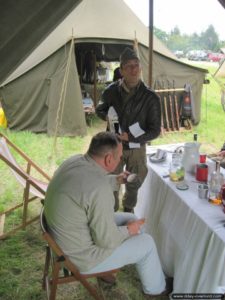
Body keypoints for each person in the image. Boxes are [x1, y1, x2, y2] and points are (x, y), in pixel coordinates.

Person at [44, 132, 172, 297]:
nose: (121, 160)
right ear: (108, 159)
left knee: (131, 218)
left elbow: (86, 186)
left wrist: (115, 180)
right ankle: (156, 289)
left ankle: (131, 267)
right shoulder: (98, 189)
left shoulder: (75, 161)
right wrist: (128, 231)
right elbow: (106, 240)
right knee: (146, 243)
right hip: (81, 257)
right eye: (119, 157)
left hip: (66, 236)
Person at [96, 47, 161, 212]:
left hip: (137, 149)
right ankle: (110, 214)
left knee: (134, 183)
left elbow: (154, 131)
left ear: (140, 68)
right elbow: (99, 109)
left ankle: (128, 211)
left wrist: (131, 137)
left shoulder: (151, 97)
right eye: (129, 66)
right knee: (111, 182)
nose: (133, 69)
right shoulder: (111, 91)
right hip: (113, 146)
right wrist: (109, 117)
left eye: (136, 65)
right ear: (121, 70)